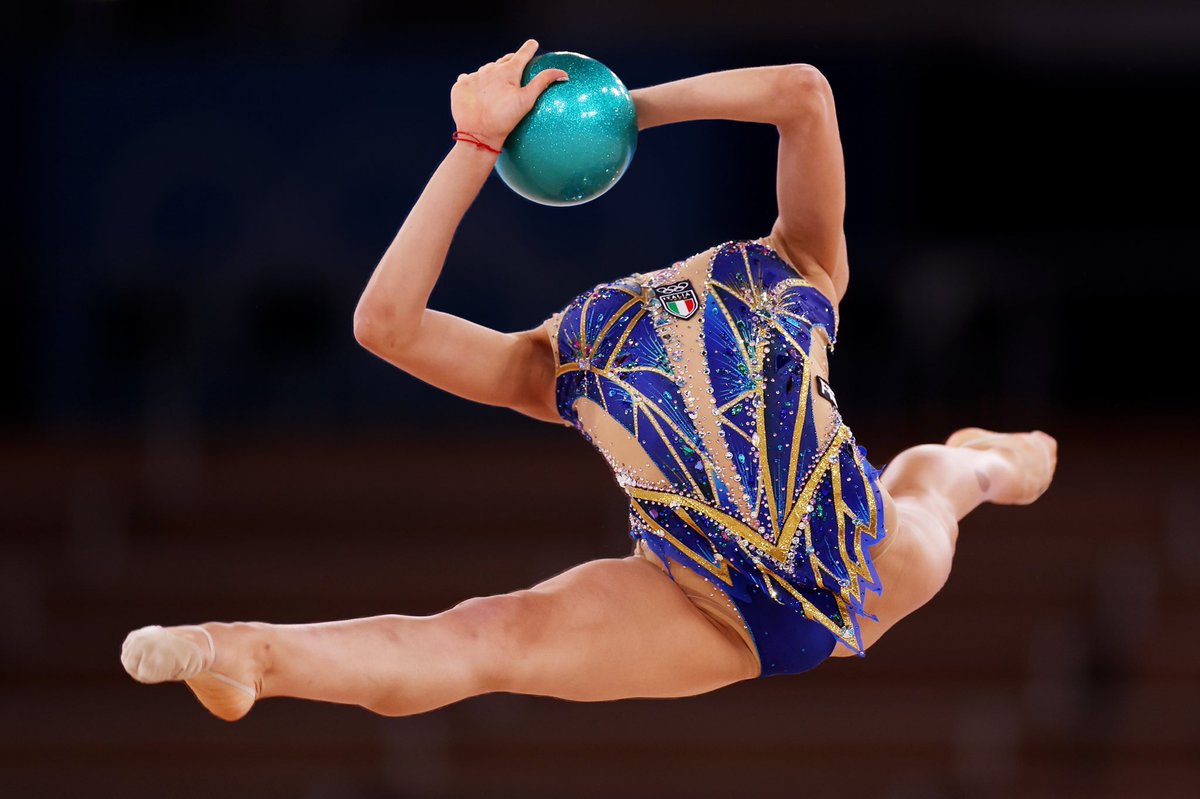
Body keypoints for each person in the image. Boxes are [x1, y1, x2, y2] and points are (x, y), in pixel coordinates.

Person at [120, 38, 1057, 721]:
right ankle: (248, 653)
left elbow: (802, 93)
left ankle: (994, 460)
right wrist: (475, 144)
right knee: (485, 635)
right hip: (703, 605)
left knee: (938, 483)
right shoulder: (559, 359)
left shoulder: (800, 266)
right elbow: (384, 325)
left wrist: (618, 111)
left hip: (864, 561)